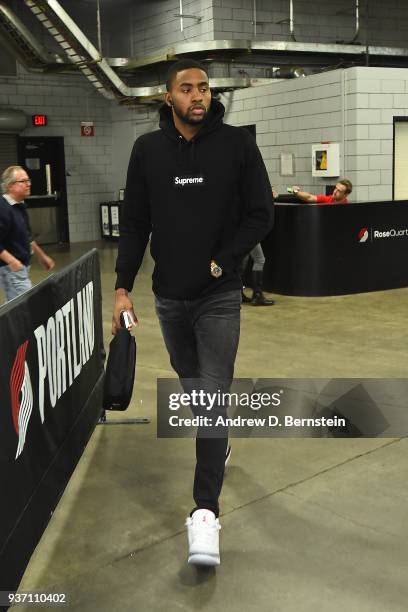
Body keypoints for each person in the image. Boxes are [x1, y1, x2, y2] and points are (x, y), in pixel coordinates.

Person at [112, 59, 273, 567]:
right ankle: (216, 441)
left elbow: (261, 213)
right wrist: (121, 287)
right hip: (168, 296)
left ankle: (205, 513)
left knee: (210, 390)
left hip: (218, 296)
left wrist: (226, 261)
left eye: (203, 87)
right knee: (192, 382)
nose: (198, 95)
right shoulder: (147, 151)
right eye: (187, 88)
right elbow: (135, 222)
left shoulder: (237, 146)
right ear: (169, 98)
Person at [0, 165, 55, 302]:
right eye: (23, 181)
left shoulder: (19, 205)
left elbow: (27, 236)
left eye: (28, 180)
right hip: (11, 270)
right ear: (10, 185)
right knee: (23, 308)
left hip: (22, 268)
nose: (28, 184)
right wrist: (12, 261)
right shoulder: (3, 209)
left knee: (16, 308)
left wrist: (41, 256)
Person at [285, 179, 353, 204]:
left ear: (345, 195)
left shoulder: (347, 206)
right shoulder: (328, 199)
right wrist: (295, 191)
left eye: (339, 191)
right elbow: (309, 197)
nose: (335, 191)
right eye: (335, 188)